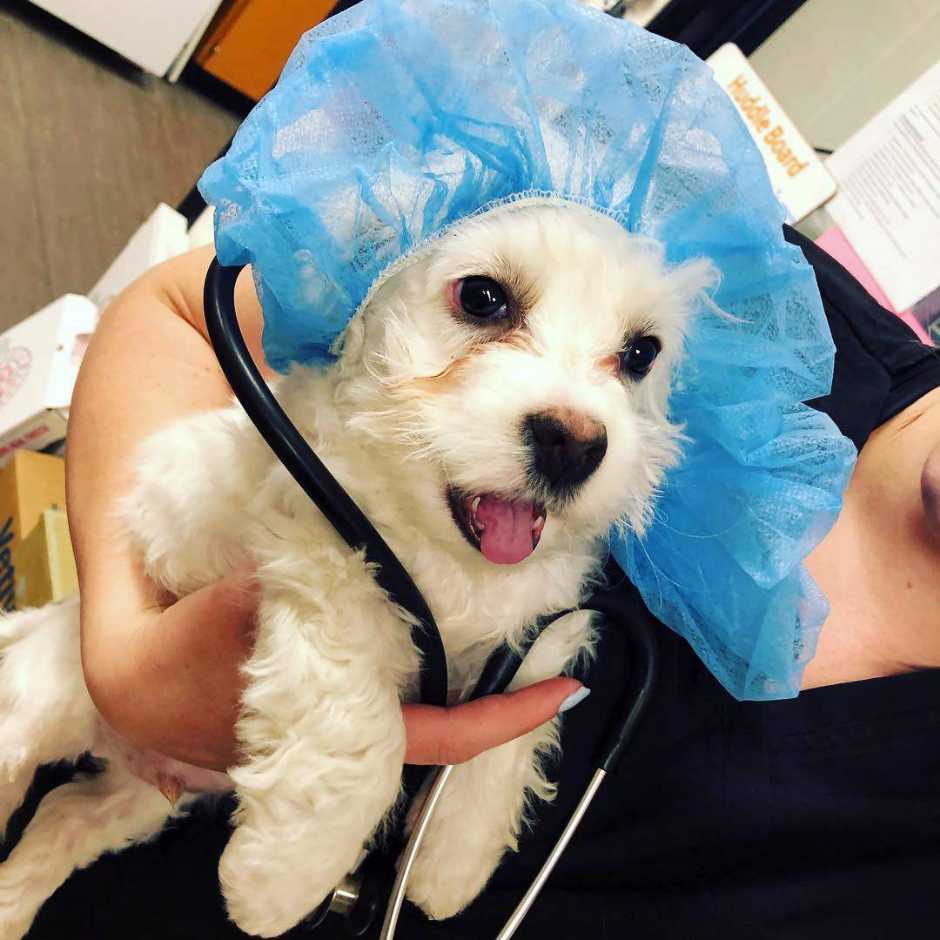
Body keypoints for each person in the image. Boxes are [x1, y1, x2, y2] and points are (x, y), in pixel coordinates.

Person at [33, 226, 940, 938]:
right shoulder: (750, 281)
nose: (579, 415)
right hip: (109, 825)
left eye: (632, 359)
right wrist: (124, 660)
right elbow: (184, 310)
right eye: (488, 303)